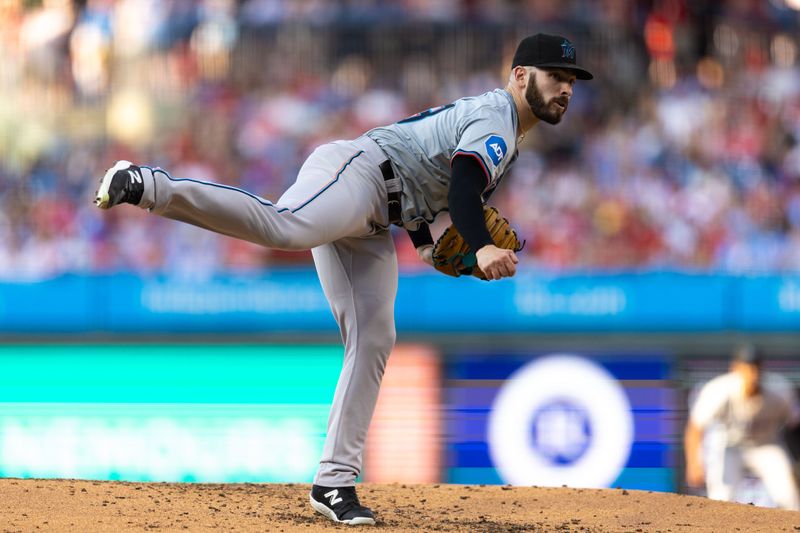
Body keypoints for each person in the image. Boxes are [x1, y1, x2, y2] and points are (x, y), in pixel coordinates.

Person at [94, 33, 592, 525]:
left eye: (571, 80)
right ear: (521, 75)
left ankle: (333, 482)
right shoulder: (495, 116)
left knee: (375, 336)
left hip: (378, 212)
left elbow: (431, 189)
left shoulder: (504, 134)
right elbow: (463, 184)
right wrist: (481, 244)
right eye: (556, 76)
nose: (566, 88)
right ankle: (148, 184)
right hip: (358, 174)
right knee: (286, 226)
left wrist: (428, 245)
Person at [684, 343, 800, 510]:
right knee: (721, 499)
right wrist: (694, 462)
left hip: (765, 445)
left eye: (755, 368)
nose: (751, 374)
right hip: (730, 446)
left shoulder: (779, 390)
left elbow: (795, 423)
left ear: (761, 369)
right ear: (735, 368)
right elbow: (695, 427)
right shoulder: (719, 390)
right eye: (746, 368)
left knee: (789, 498)